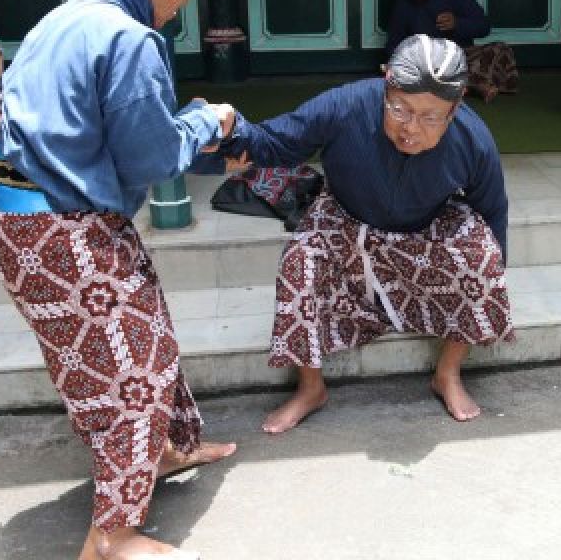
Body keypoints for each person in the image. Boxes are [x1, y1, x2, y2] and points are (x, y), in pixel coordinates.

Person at [0, 0, 238, 560]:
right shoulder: (130, 39)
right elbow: (153, 159)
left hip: (25, 226)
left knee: (125, 348)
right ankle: (114, 534)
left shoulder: (66, 17)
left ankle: (170, 448)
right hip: (66, 230)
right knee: (132, 376)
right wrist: (208, 119)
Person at [216, 36, 514, 433]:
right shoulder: (346, 106)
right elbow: (276, 141)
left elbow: (493, 210)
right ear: (385, 81)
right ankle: (310, 387)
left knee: (483, 255)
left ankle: (448, 373)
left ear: (456, 107)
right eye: (399, 108)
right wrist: (233, 128)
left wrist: (489, 277)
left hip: (423, 228)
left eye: (430, 117)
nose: (411, 128)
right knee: (299, 261)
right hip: (344, 218)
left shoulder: (473, 140)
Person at [386, 0, 519, 102]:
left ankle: (461, 85)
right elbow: (394, 44)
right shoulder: (403, 5)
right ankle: (473, 85)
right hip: (429, 64)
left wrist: (458, 24)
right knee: (419, 71)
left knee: (500, 49)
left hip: (463, 57)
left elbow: (484, 26)